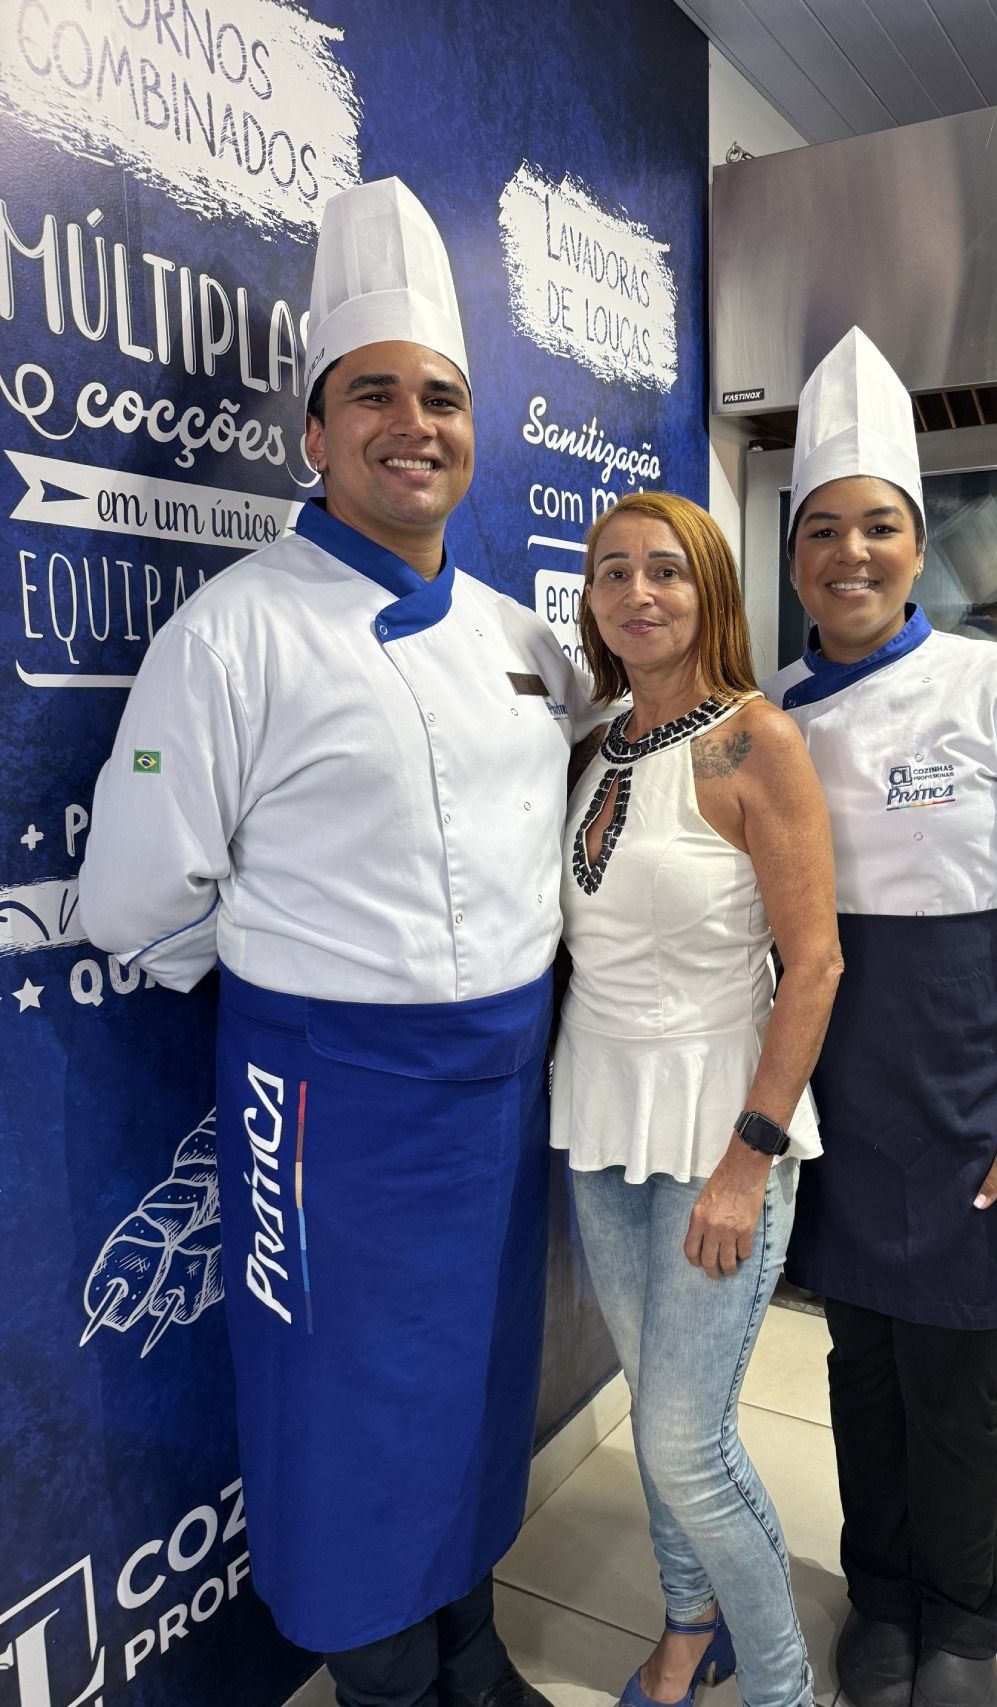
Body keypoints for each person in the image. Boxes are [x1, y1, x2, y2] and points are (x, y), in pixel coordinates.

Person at [78, 177, 598, 1707]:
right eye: (374, 393)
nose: (414, 422)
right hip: (324, 1099)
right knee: (342, 1411)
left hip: (502, 1087)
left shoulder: (525, 639)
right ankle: (382, 1674)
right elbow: (131, 903)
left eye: (441, 395)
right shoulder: (232, 633)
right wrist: (302, 960)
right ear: (314, 433)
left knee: (480, 1378)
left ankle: (468, 1642)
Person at [763, 329, 997, 1707]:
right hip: (839, 1101)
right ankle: (886, 1592)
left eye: (881, 528)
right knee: (859, 1363)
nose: (850, 554)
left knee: (955, 1379)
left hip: (974, 1099)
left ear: (920, 546)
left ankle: (966, 1612)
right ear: (795, 554)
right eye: (823, 532)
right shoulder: (774, 710)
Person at [551, 492, 843, 1707]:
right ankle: (688, 1629)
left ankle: (776, 1684)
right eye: (612, 572)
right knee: (649, 1400)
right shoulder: (594, 741)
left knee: (684, 1439)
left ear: (709, 591)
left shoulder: (751, 741)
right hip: (598, 1113)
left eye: (664, 571)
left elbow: (813, 962)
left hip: (720, 1125)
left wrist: (747, 1160)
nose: (636, 593)